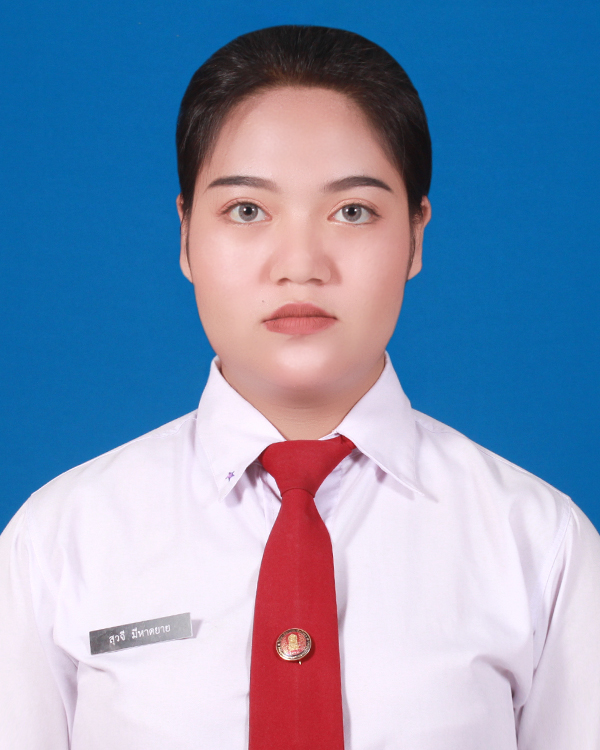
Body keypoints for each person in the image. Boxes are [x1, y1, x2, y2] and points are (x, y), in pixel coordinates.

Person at [1, 24, 599, 750]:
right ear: (186, 235)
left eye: (353, 211)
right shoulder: (56, 542)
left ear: (416, 236)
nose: (301, 263)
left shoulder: (540, 543)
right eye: (247, 210)